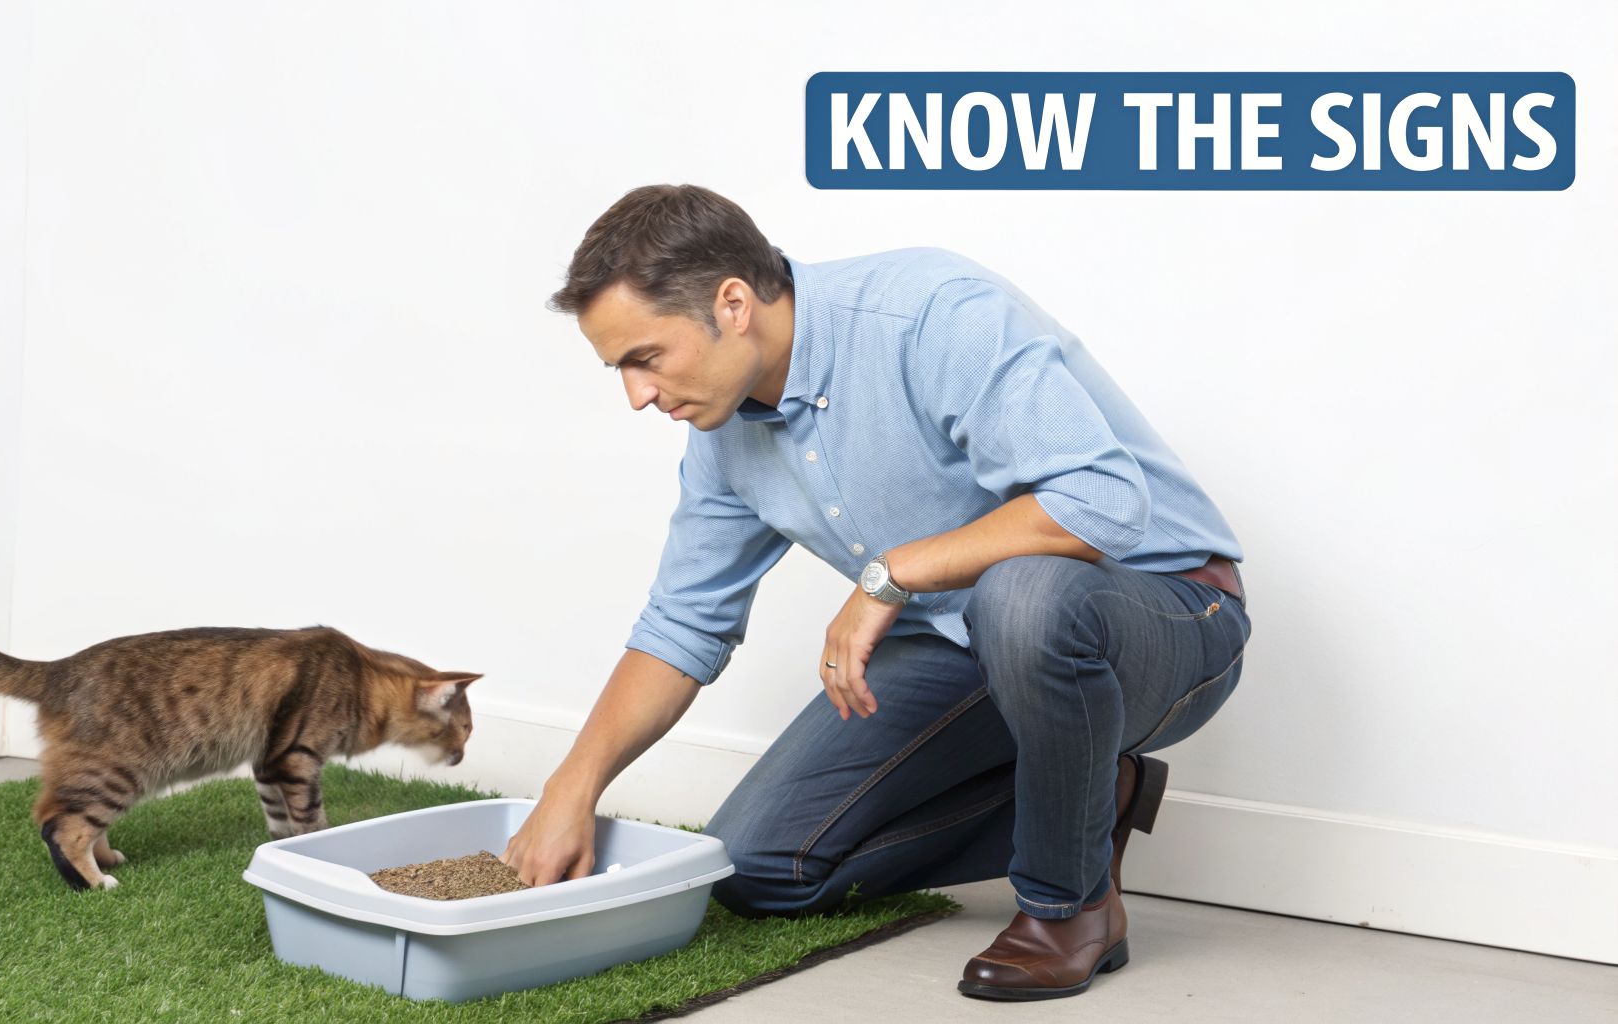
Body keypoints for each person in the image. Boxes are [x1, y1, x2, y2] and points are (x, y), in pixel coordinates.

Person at [502, 183, 1251, 1001]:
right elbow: (681, 626)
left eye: (646, 357)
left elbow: (1101, 501)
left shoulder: (930, 312)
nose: (637, 394)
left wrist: (892, 572)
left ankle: (1067, 906)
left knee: (1027, 594)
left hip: (1167, 615)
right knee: (757, 868)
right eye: (619, 369)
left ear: (733, 303)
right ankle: (1093, 793)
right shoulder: (719, 436)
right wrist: (568, 792)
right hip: (971, 648)